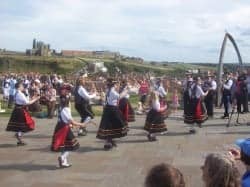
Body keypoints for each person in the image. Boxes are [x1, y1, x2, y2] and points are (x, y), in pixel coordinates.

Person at [51, 95, 89, 168]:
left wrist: (71, 125)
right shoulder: (66, 109)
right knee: (71, 145)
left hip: (59, 127)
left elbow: (66, 120)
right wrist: (82, 124)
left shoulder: (60, 108)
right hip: (64, 129)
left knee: (64, 145)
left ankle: (64, 162)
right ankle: (62, 158)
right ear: (68, 102)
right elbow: (71, 121)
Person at [96, 78, 128, 150]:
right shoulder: (112, 91)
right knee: (114, 124)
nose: (117, 85)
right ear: (113, 85)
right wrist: (125, 92)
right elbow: (119, 97)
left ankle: (110, 140)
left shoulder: (108, 90)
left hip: (108, 109)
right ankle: (108, 142)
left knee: (110, 125)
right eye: (116, 84)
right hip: (112, 109)